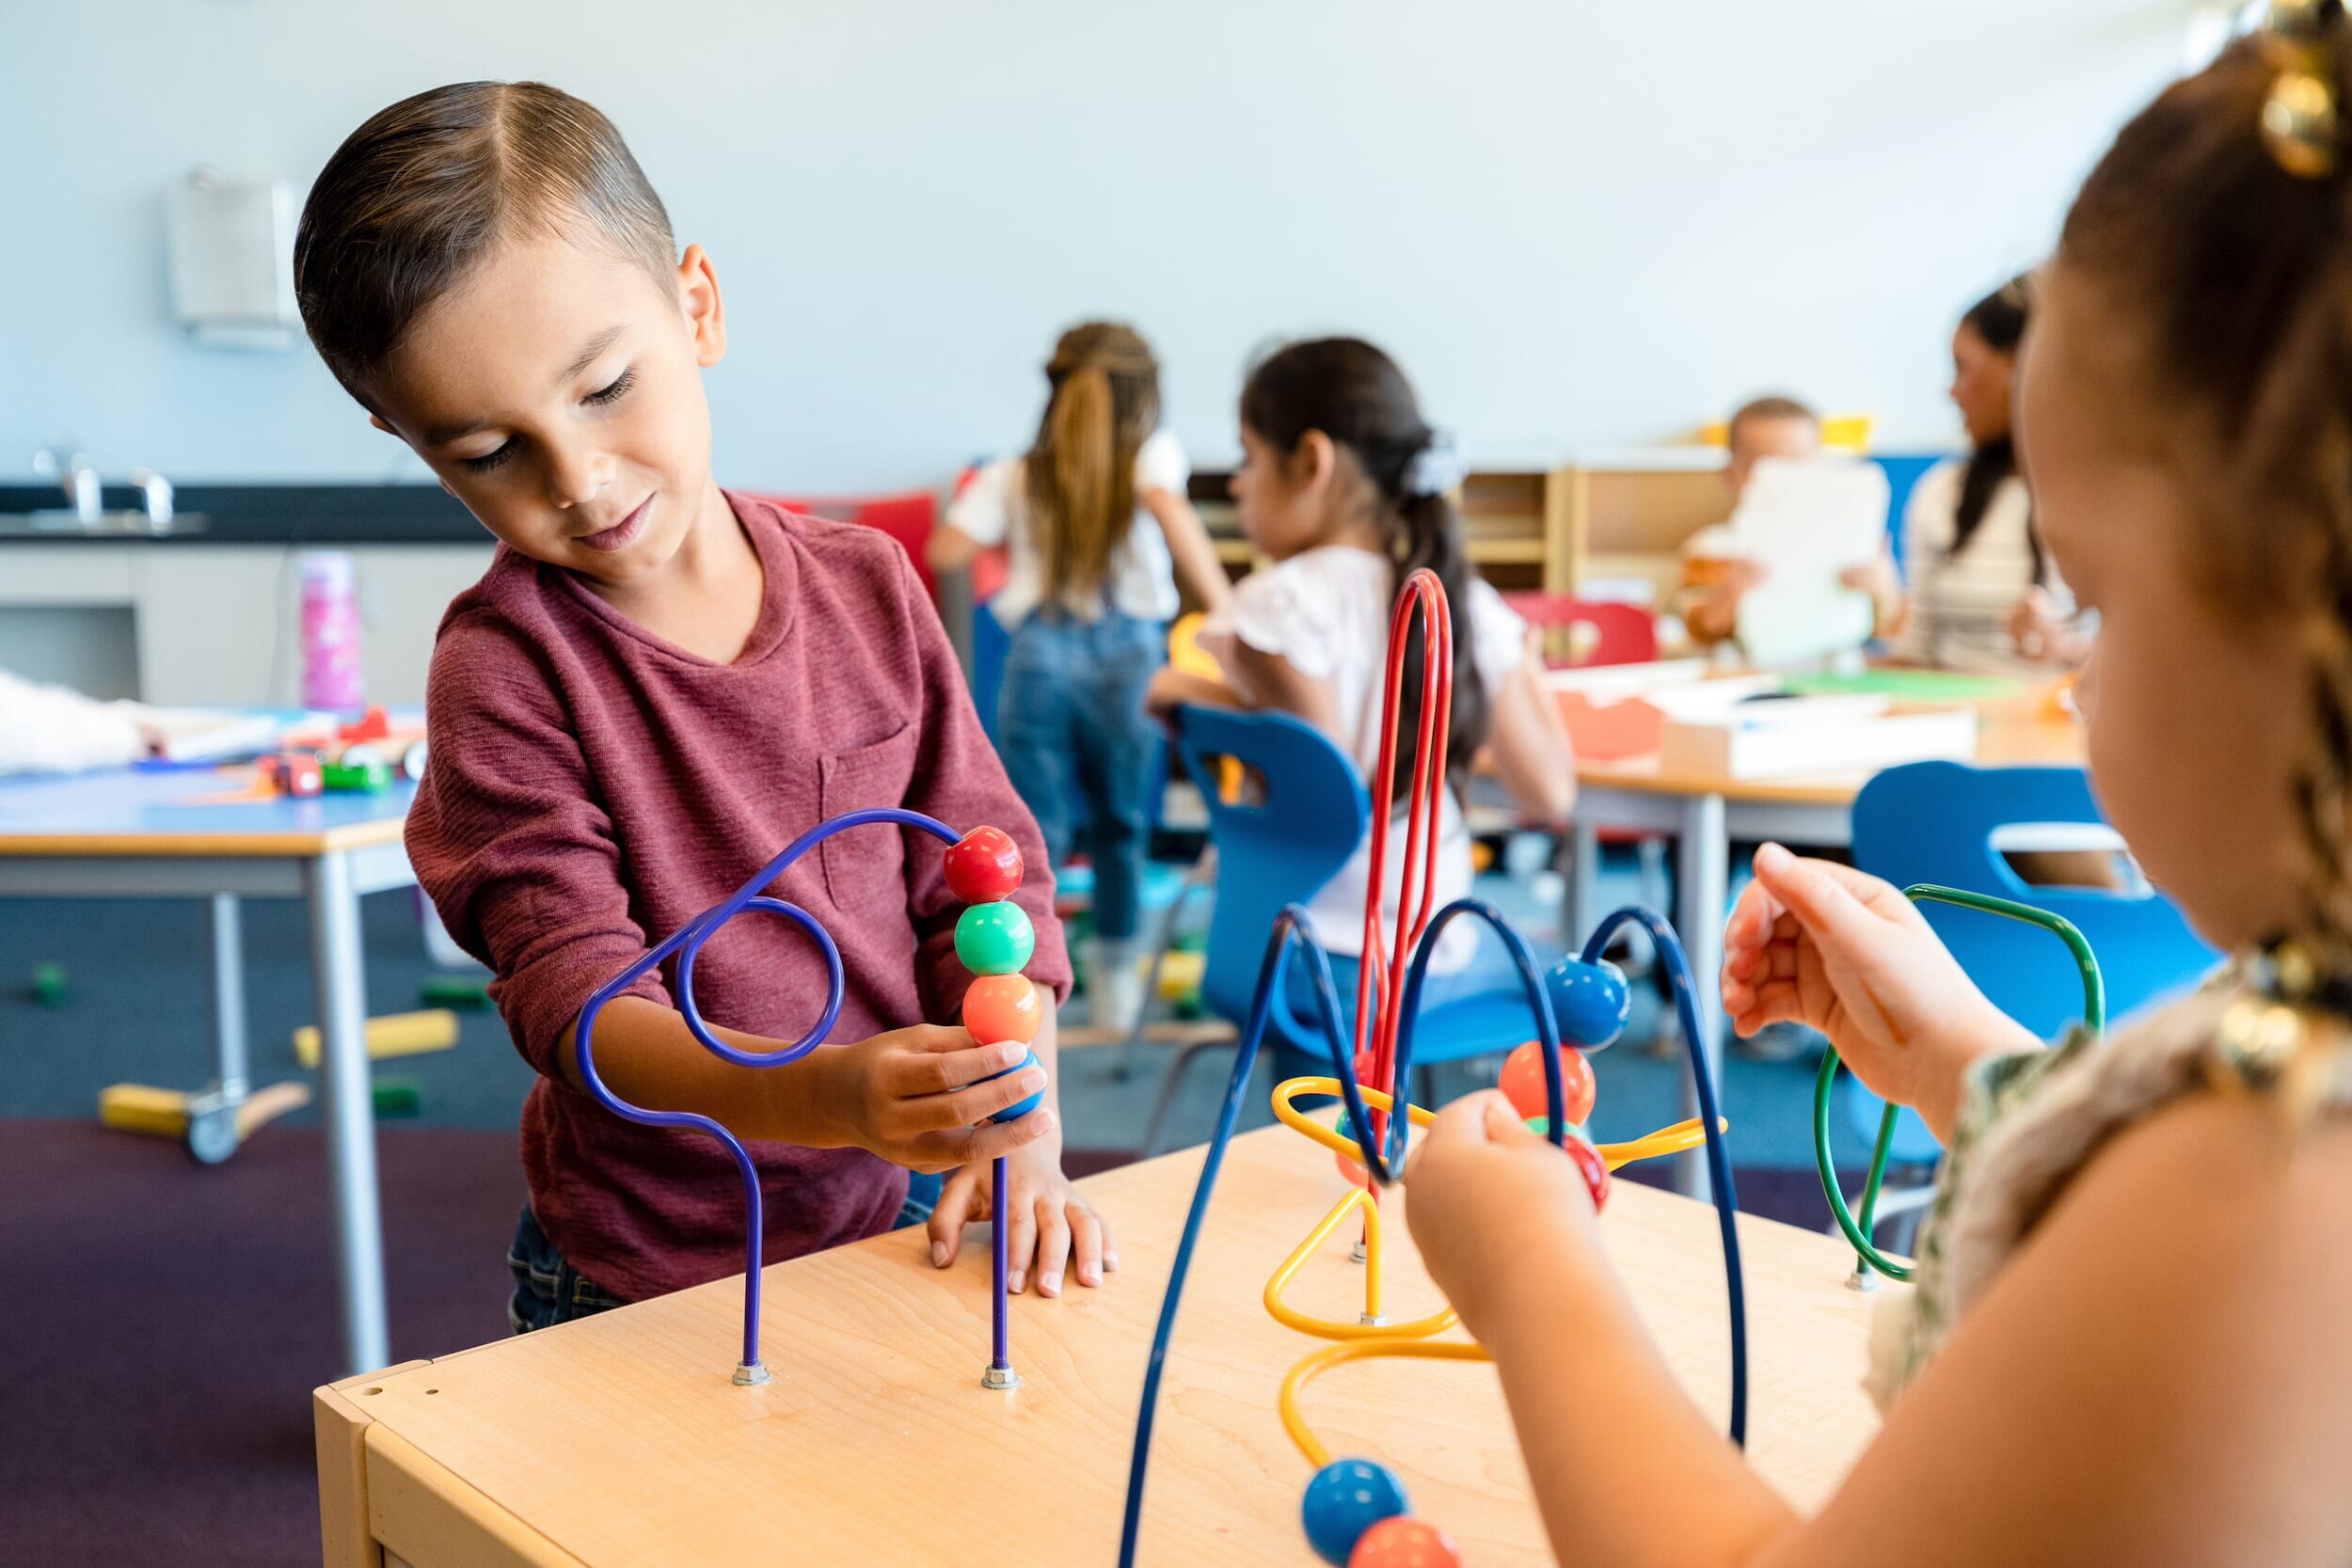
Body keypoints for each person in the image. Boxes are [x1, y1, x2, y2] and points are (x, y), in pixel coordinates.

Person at [1403, 25, 2352, 1562]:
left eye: (2100, 593)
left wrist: (1526, 1269)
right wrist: (1960, 1065)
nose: (2086, 674)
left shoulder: (2259, 1196)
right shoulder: (2277, 1078)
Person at [293, 81, 1114, 1323]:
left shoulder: (868, 587)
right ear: (408, 441)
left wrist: (1027, 1130)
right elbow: (581, 1003)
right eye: (487, 452)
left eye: (606, 385)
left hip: (884, 1217)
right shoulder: (508, 668)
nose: (579, 477)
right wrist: (829, 1092)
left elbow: (992, 891)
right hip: (642, 1272)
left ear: (697, 306)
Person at [1146, 338, 1574, 1083]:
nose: (1240, 486)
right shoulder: (1463, 603)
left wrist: (1185, 691)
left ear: (1312, 462)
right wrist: (1519, 656)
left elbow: (1321, 767)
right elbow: (1551, 793)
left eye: (1248, 459)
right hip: (1428, 965)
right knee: (1564, 989)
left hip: (1302, 964)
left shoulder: (1279, 605)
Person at [929, 324, 1231, 1031]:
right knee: (1121, 827)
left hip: (1040, 651)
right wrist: (1231, 612)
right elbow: (1173, 514)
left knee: (1033, 835)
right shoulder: (1152, 454)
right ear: (1142, 397)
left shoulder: (1012, 473)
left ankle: (1029, 985)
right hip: (1129, 657)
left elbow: (946, 549)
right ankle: (1118, 989)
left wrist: (1009, 545)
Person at [1886, 278, 2092, 673]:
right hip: (1960, 721)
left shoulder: (2111, 495)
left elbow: (2163, 669)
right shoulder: (1941, 491)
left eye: (1962, 368)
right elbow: (1916, 650)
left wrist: (2065, 647)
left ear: (2024, 366)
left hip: (2058, 723)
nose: (1952, 391)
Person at [1677, 396, 1901, 649]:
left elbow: (1893, 628)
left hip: (1836, 675)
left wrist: (1884, 592)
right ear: (1730, 475)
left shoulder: (1850, 543)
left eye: (1797, 468)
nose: (1785, 484)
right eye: (1768, 471)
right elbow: (1695, 630)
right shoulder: (1711, 548)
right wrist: (1729, 598)